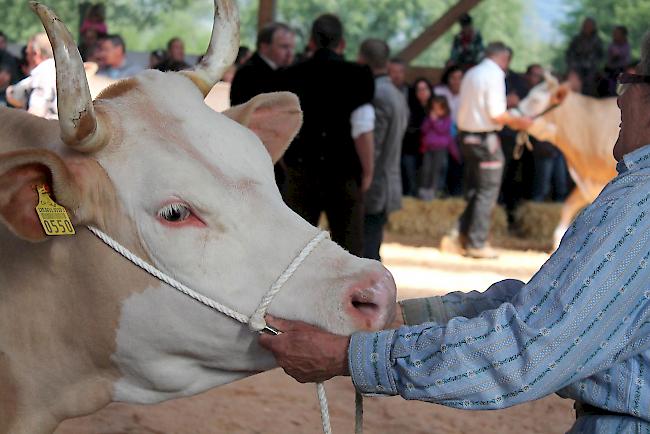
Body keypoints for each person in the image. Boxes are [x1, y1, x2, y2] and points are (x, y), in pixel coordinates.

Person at [260, 32, 650, 434]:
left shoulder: (639, 204)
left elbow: (528, 346)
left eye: (630, 82)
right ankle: (472, 240)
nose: (619, 98)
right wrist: (404, 317)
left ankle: (473, 239)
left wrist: (351, 355)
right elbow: (554, 307)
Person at [276, 14, 375, 256]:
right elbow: (362, 128)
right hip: (343, 172)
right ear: (342, 44)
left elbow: (281, 125)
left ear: (310, 41)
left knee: (293, 250)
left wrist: (283, 162)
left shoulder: (288, 75)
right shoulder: (358, 76)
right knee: (349, 248)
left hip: (301, 170)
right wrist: (368, 170)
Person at [453, 42, 532, 259]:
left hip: (465, 136)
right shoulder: (495, 74)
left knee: (474, 189)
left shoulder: (472, 73)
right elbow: (497, 114)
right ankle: (477, 243)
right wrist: (519, 121)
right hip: (484, 138)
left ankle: (462, 235)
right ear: (504, 59)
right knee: (487, 191)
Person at [357, 39, 409, 261]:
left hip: (375, 183)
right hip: (388, 180)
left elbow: (374, 145)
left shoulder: (376, 93)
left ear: (361, 59)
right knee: (372, 242)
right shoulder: (396, 93)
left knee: (366, 248)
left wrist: (363, 177)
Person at [230, 22, 296, 106]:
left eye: (292, 47)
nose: (290, 53)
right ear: (264, 47)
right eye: (284, 47)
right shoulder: (248, 74)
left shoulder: (280, 69)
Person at [5, 32, 57, 119]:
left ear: (36, 54)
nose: (27, 57)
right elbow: (13, 92)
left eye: (28, 53)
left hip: (48, 128)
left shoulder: (43, 73)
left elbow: (36, 113)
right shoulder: (61, 70)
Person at [418, 96, 458, 200]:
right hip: (428, 149)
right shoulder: (428, 119)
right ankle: (424, 190)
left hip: (440, 150)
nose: (436, 111)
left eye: (439, 109)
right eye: (434, 108)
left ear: (445, 109)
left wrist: (434, 121)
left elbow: (442, 130)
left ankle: (433, 191)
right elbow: (423, 129)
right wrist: (430, 121)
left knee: (437, 170)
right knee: (426, 169)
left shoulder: (447, 120)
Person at [434, 65, 464, 196]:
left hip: (460, 136)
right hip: (439, 135)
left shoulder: (468, 94)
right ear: (447, 78)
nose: (456, 81)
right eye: (453, 78)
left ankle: (455, 194)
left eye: (460, 78)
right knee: (440, 165)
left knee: (457, 166)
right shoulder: (439, 92)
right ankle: (439, 192)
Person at [401, 78, 431, 198]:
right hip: (410, 148)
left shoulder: (436, 107)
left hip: (429, 150)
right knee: (410, 178)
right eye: (419, 90)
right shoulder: (409, 107)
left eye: (425, 89)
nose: (422, 92)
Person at [566, 17, 604, 96]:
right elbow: (569, 54)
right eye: (586, 25)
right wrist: (572, 66)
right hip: (576, 68)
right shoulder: (576, 39)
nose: (587, 27)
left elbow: (601, 56)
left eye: (589, 25)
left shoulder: (597, 40)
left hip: (591, 70)